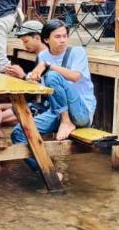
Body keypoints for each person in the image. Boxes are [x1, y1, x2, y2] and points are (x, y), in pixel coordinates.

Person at [11, 20, 97, 176]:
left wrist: (47, 66)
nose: (63, 40)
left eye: (65, 36)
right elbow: (45, 88)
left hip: (80, 112)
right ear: (46, 40)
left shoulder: (77, 52)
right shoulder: (43, 55)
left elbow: (75, 76)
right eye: (58, 36)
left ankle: (66, 121)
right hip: (56, 110)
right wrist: (29, 77)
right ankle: (47, 172)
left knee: (52, 76)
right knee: (18, 132)